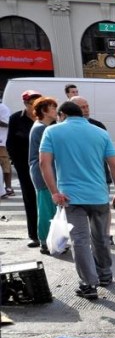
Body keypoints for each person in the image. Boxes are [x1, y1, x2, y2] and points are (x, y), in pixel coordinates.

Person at [39, 101, 115, 300]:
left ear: (62, 114)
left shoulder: (52, 132)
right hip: (99, 195)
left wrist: (54, 192)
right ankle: (105, 275)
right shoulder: (100, 133)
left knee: (80, 240)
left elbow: (44, 163)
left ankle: (88, 284)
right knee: (101, 237)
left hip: (71, 196)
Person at [71, 96, 115, 243]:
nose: (86, 109)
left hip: (100, 175)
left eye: (87, 106)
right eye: (82, 107)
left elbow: (109, 156)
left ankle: (105, 235)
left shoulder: (98, 126)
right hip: (76, 179)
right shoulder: (65, 129)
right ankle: (88, 236)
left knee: (103, 208)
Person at [7, 90, 42, 247]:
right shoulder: (16, 118)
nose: (34, 105)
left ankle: (51, 234)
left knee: (48, 200)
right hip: (26, 166)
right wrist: (20, 166)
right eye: (30, 103)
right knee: (30, 199)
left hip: (46, 165)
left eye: (37, 101)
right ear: (25, 104)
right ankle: (34, 235)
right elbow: (11, 144)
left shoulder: (46, 117)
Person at [28, 97, 58, 254]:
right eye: (52, 108)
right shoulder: (41, 128)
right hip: (43, 173)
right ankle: (45, 242)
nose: (55, 111)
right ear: (44, 111)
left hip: (43, 172)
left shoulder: (42, 127)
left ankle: (48, 240)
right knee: (46, 208)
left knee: (48, 207)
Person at [0, 99, 12, 199]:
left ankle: (8, 188)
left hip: (1, 141)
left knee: (5, 165)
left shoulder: (3, 108)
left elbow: (8, 123)